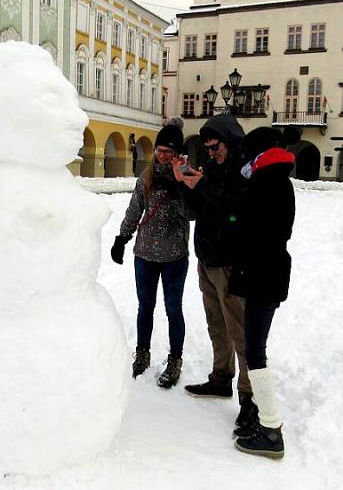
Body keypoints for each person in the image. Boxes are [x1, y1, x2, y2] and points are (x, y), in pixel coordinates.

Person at [170, 114, 259, 438]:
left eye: (215, 146)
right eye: (206, 147)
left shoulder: (245, 171)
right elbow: (198, 211)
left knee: (240, 332)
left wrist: (203, 184)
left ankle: (250, 398)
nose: (210, 152)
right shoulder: (215, 170)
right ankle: (221, 378)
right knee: (216, 325)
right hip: (207, 261)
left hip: (231, 264)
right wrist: (185, 183)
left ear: (230, 140)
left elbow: (235, 215)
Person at [231, 126, 299, 460]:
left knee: (255, 351)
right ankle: (263, 420)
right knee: (255, 347)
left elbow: (245, 227)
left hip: (262, 275)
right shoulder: (278, 181)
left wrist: (233, 218)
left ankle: (271, 431)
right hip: (268, 273)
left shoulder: (265, 183)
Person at [111, 120, 194, 389]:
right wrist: (122, 238)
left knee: (173, 309)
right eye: (159, 150)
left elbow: (194, 213)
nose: (162, 155)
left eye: (168, 151)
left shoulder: (187, 175)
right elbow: (135, 210)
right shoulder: (145, 177)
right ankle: (143, 353)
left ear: (178, 154)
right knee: (145, 307)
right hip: (145, 254)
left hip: (174, 256)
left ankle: (175, 359)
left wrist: (181, 186)